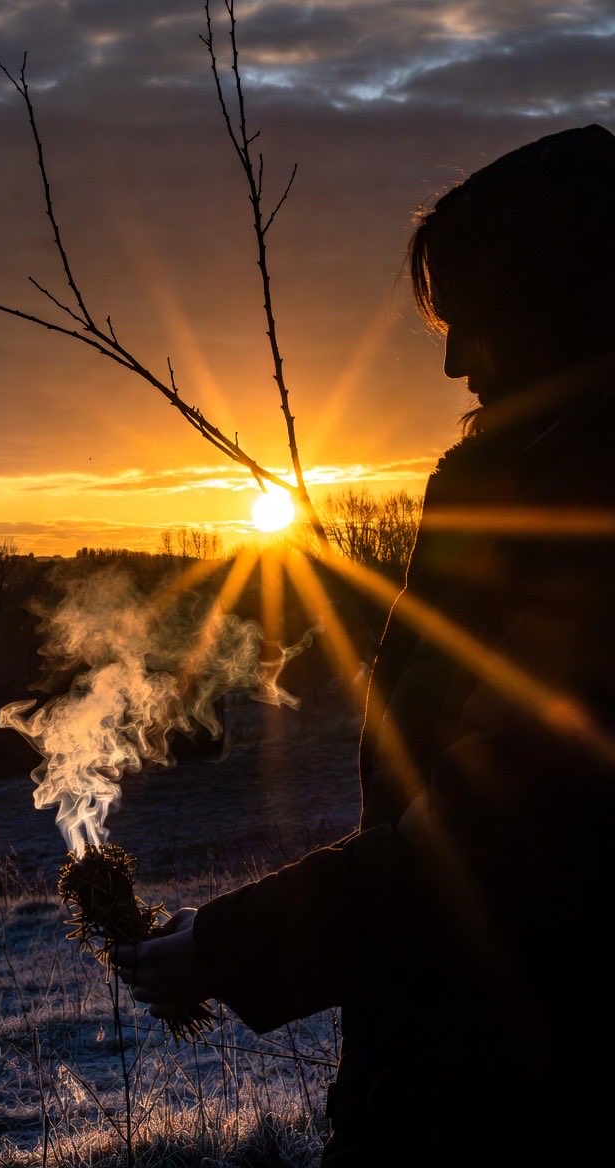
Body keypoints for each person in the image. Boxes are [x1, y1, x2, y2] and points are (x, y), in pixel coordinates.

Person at [117, 124, 615, 1164]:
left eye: (471, 318)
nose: (448, 360)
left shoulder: (585, 523)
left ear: (557, 300)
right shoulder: (521, 492)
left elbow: (495, 848)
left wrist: (222, 946)